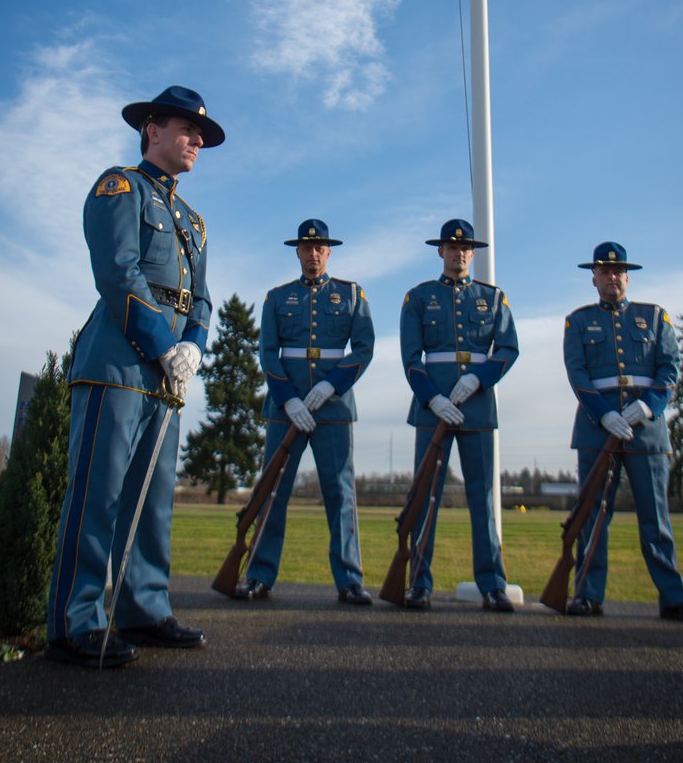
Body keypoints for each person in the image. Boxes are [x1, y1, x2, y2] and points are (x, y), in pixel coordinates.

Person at [46, 86, 225, 667]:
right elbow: (119, 272)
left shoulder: (192, 220)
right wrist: (163, 345)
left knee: (152, 503)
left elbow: (201, 298)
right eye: (187, 129)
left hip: (167, 375)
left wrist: (193, 346)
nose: (196, 141)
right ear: (152, 130)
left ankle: (143, 610)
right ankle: (75, 621)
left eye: (200, 135)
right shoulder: (120, 187)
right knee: (98, 495)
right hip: (119, 363)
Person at [563, 241, 683, 622]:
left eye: (618, 271)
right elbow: (577, 373)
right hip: (597, 430)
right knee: (592, 517)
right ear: (593, 279)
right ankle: (587, 594)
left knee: (656, 520)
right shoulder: (578, 322)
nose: (611, 277)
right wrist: (604, 414)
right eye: (604, 272)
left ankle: (675, 598)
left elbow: (670, 368)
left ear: (627, 277)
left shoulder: (655, 317)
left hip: (646, 431)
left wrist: (647, 407)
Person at [234, 219, 374, 605]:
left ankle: (350, 580)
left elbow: (364, 348)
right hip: (286, 409)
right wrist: (288, 398)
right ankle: (259, 575)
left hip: (333, 408)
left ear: (329, 252)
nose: (313, 253)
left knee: (340, 494)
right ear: (297, 252)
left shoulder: (351, 294)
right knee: (272, 491)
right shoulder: (277, 297)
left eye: (319, 247)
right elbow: (267, 352)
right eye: (306, 247)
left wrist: (332, 385)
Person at [399, 219, 519, 611]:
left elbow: (508, 348)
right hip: (432, 409)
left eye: (466, 248)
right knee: (425, 497)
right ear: (441, 251)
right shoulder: (419, 297)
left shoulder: (493, 297)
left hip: (477, 408)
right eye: (453, 247)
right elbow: (411, 358)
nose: (460, 253)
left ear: (473, 253)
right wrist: (433, 398)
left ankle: (493, 585)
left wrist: (479, 379)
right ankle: (419, 583)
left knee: (482, 499)